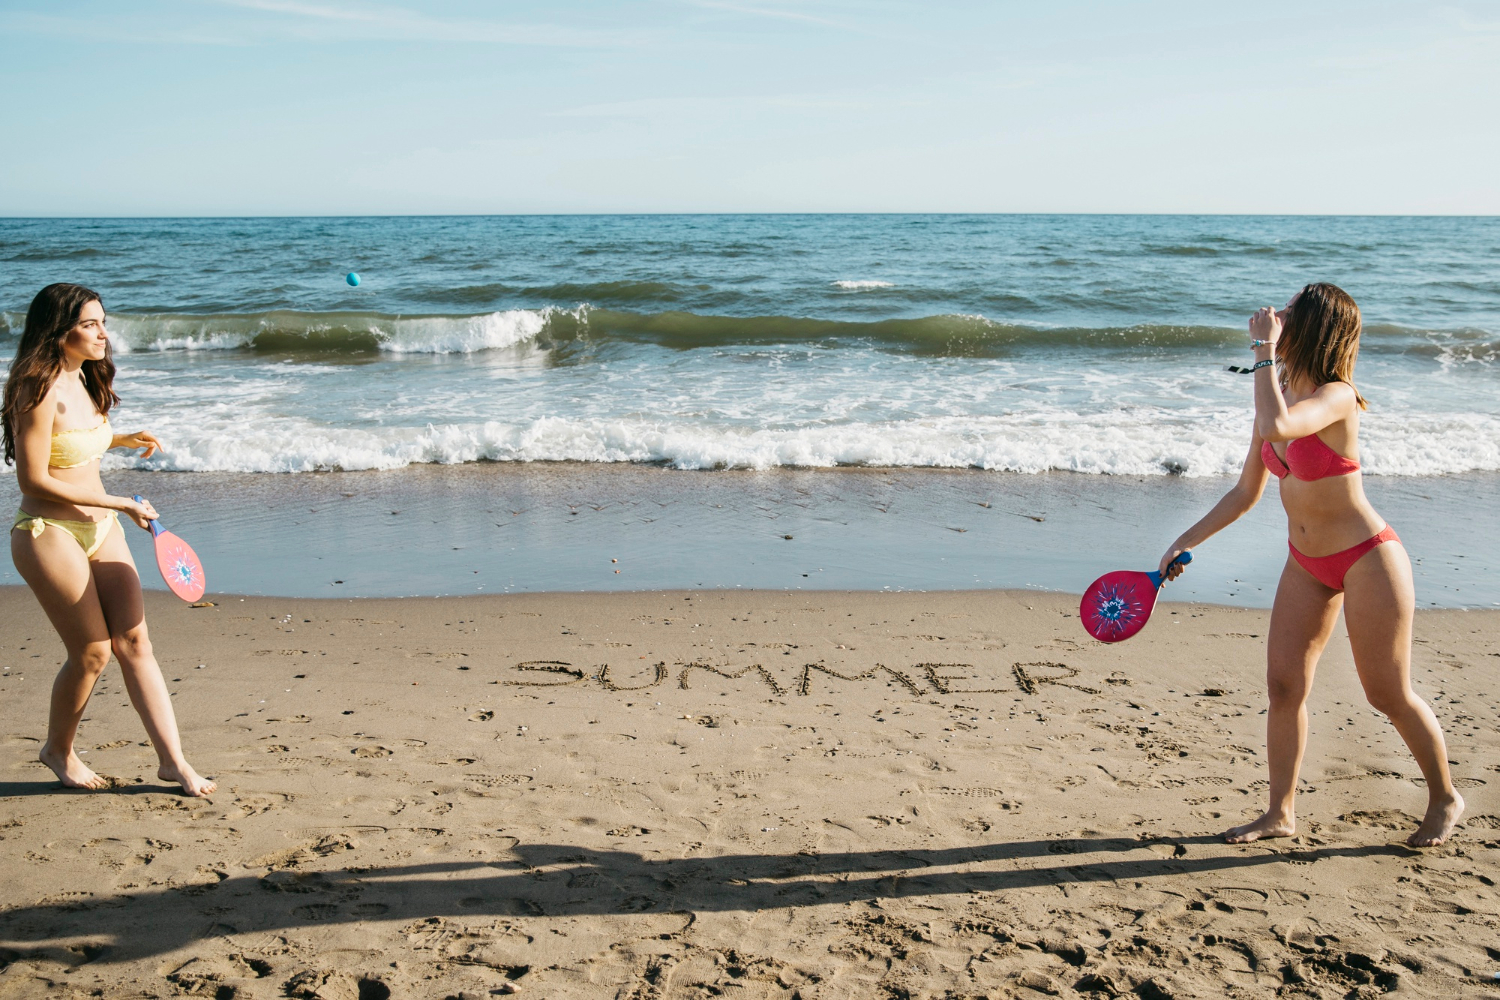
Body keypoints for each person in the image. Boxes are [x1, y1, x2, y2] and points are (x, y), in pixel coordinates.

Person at [1158, 283, 1462, 847]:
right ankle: (1280, 812)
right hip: (1306, 563)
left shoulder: (1337, 396)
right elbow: (1246, 492)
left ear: (1317, 325)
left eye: (1295, 308)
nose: (1281, 311)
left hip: (1368, 558)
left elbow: (1279, 428)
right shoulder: (1273, 391)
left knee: (1387, 694)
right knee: (1283, 685)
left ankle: (1445, 796)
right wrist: (1183, 539)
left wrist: (1262, 351)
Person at [4, 283, 215, 797]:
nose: (103, 333)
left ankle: (174, 762)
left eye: (103, 321)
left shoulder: (86, 376)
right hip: (49, 531)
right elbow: (33, 479)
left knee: (135, 641)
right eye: (90, 324)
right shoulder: (37, 386)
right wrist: (120, 501)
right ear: (59, 330)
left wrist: (119, 437)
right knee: (93, 652)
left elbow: (76, 443)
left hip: (101, 528)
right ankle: (59, 750)